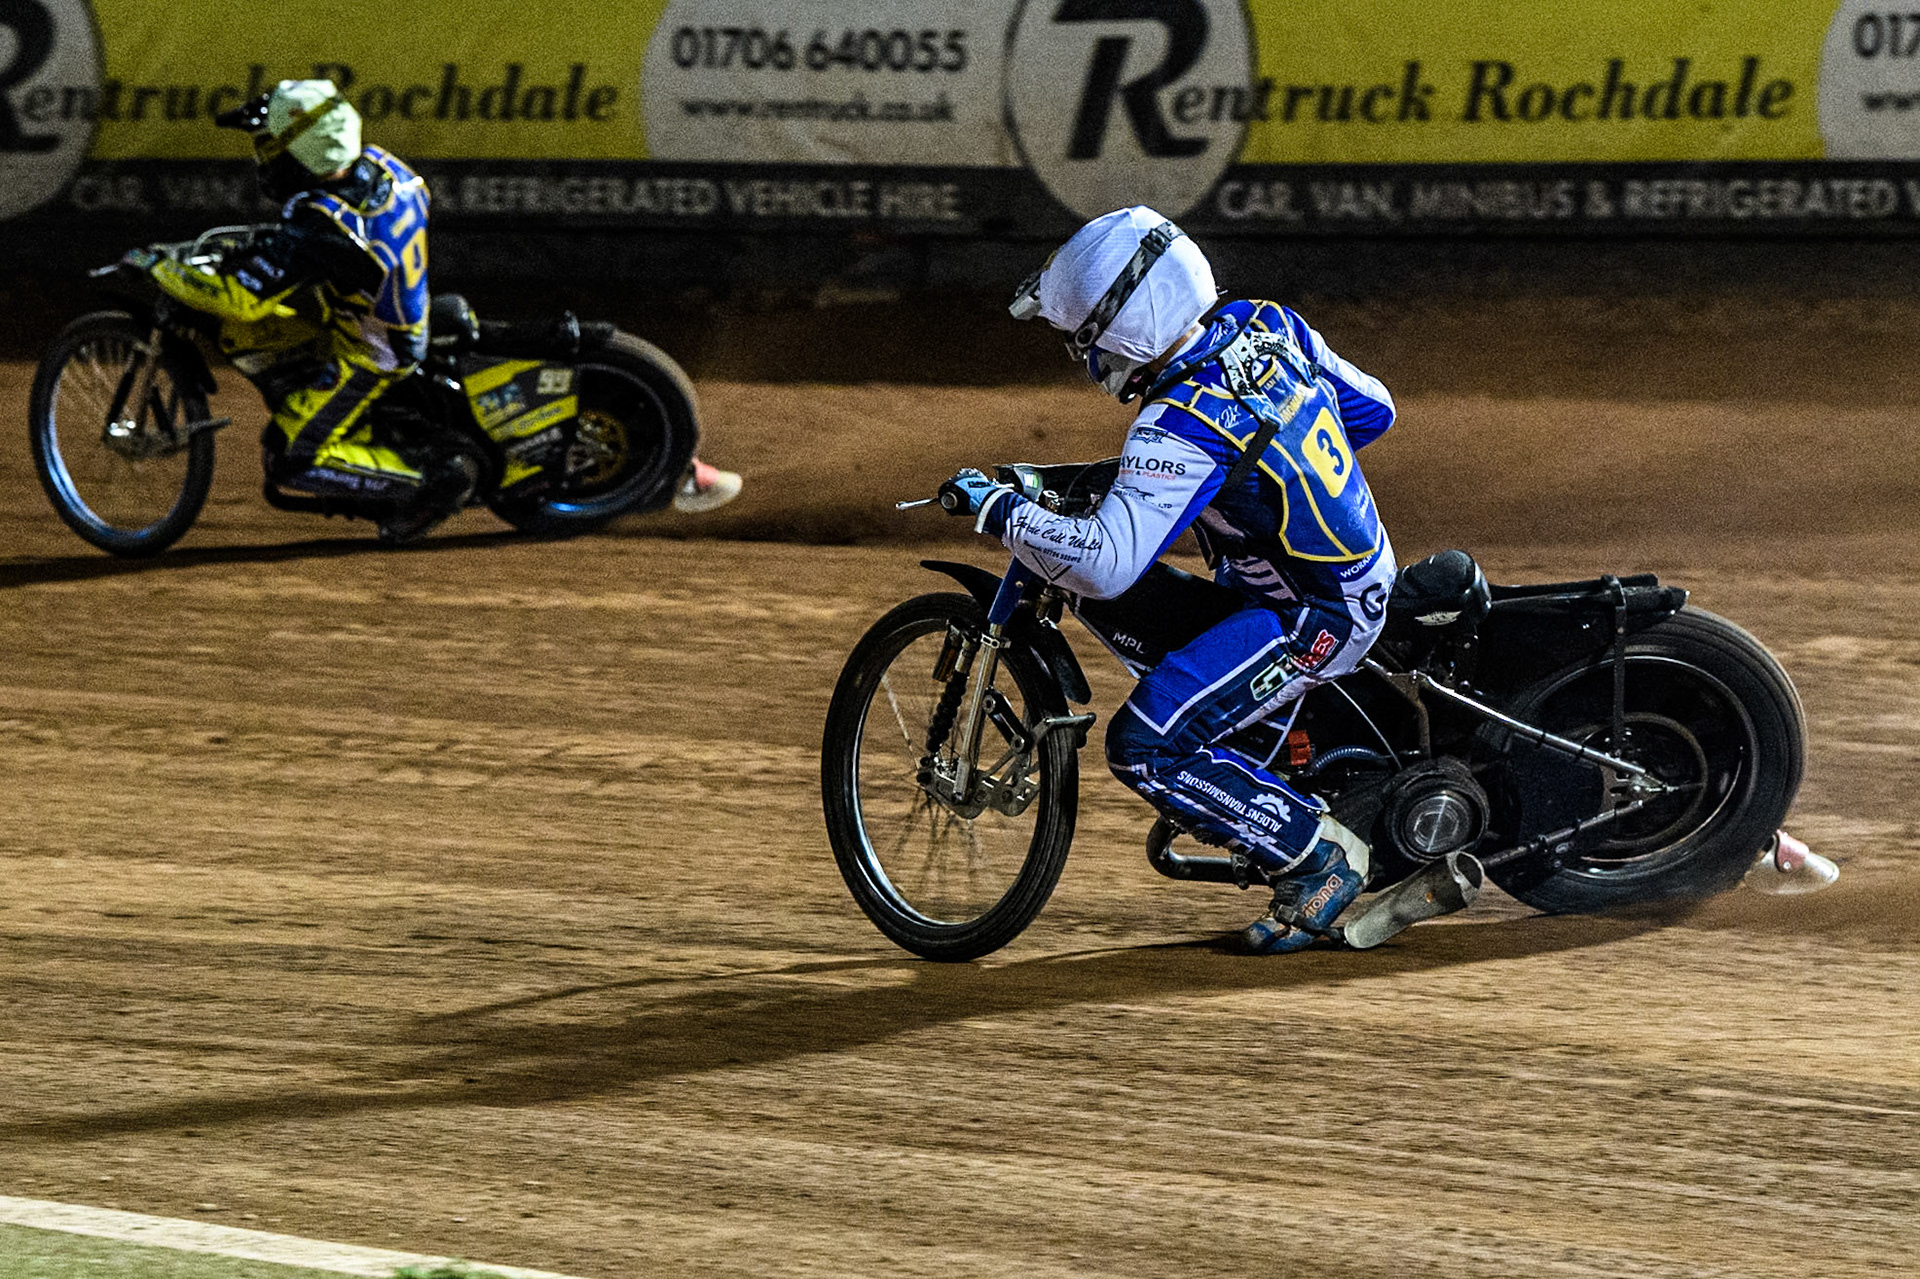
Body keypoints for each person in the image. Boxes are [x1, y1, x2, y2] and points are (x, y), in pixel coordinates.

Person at [938, 206, 1399, 954]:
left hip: (1312, 619)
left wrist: (999, 512)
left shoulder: (1176, 420)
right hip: (1339, 579)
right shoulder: (1265, 323)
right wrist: (1263, 461)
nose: (1083, 360)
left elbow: (1104, 562)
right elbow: (1373, 411)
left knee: (1145, 745)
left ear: (1118, 334)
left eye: (1080, 341)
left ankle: (1318, 854)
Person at [131, 78, 743, 540]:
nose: (261, 154)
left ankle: (427, 487)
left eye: (268, 144)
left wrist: (163, 267)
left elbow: (244, 293)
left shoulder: (323, 224)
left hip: (373, 348)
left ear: (300, 154)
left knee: (292, 456)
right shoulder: (385, 170)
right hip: (393, 306)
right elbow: (311, 244)